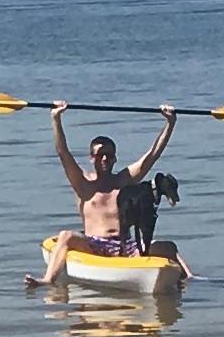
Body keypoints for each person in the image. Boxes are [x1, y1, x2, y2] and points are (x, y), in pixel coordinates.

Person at [42, 102, 180, 270]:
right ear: (92, 158)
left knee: (168, 247)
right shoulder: (82, 182)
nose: (105, 159)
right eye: (100, 155)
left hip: (126, 246)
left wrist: (170, 124)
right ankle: (47, 280)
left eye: (108, 155)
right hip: (94, 245)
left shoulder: (123, 180)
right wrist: (56, 119)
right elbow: (63, 152)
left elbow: (152, 156)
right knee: (66, 236)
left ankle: (188, 279)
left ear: (115, 158)